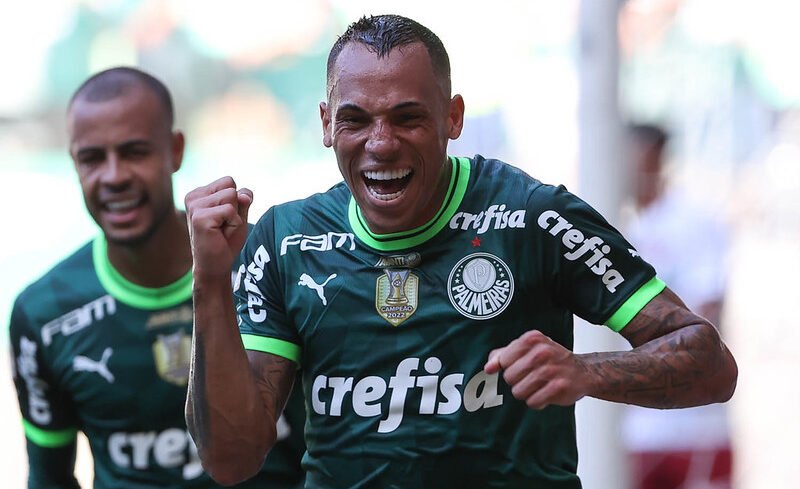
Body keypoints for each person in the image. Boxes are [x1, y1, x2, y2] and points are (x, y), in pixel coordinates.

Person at [184, 15, 737, 488]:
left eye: (408, 117)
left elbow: (712, 366)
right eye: (356, 119)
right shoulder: (286, 240)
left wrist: (585, 371)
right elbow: (231, 459)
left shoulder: (532, 216)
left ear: (452, 117)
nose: (381, 143)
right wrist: (210, 278)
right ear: (328, 124)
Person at [9, 67, 305, 489]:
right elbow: (48, 477)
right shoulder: (42, 313)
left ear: (176, 149)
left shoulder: (269, 264)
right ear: (73, 161)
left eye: (134, 152)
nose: (113, 176)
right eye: (92, 158)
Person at [622, 123, 733, 489]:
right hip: (629, 430)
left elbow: (705, 318)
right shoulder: (611, 226)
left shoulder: (693, 223)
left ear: (653, 155)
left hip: (691, 429)